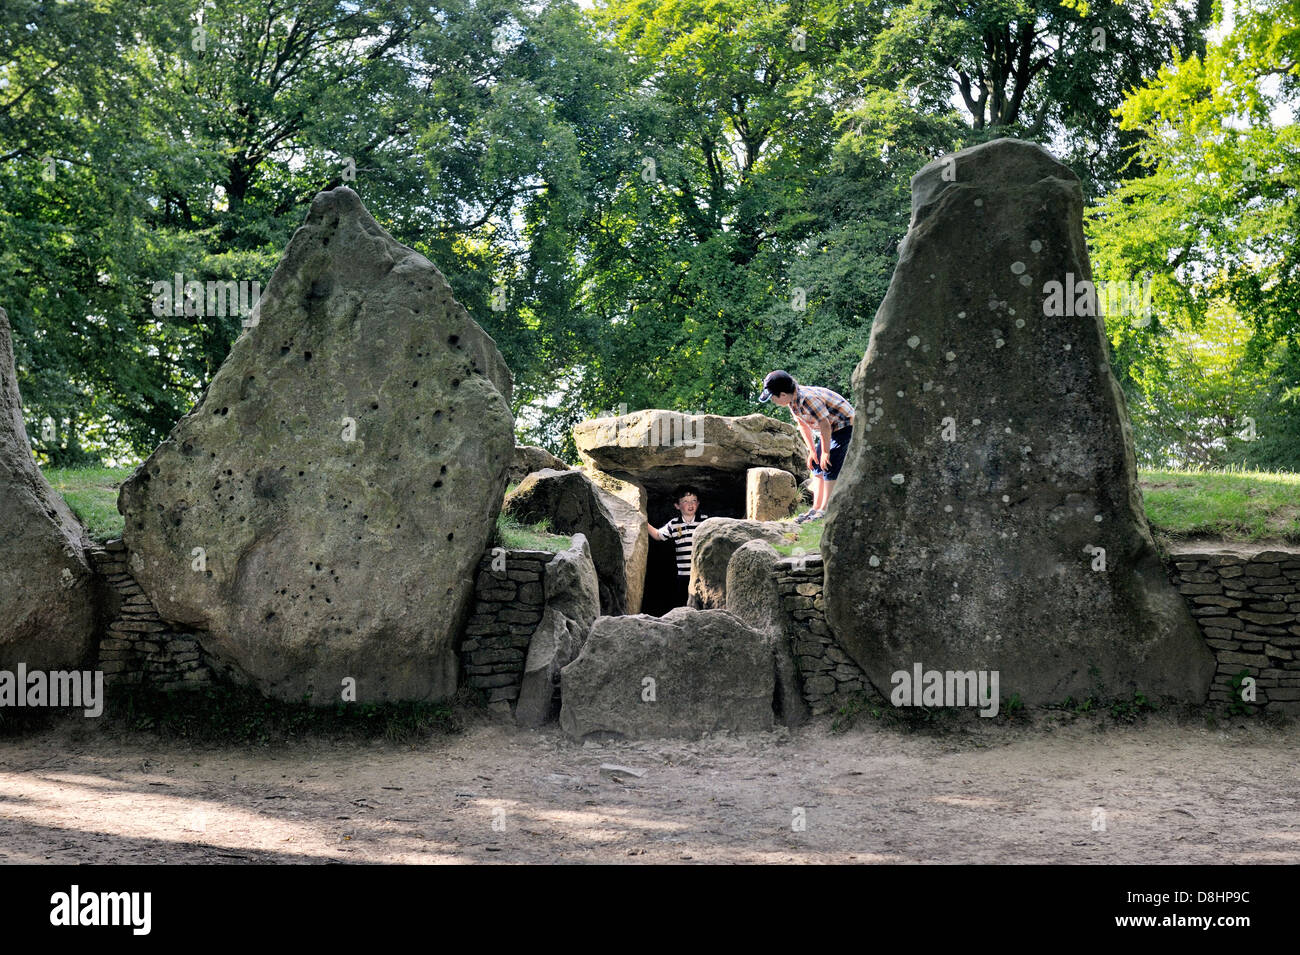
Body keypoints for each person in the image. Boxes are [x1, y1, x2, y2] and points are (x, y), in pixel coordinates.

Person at [759, 369, 854, 523]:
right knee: (817, 463)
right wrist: (812, 451)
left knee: (829, 463)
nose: (773, 401)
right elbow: (803, 425)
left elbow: (825, 425)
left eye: (773, 398)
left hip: (844, 424)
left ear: (782, 395)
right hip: (830, 427)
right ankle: (815, 508)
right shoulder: (793, 402)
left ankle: (825, 508)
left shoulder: (808, 399)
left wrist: (826, 452)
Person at [646, 486, 708, 608]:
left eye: (694, 500)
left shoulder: (705, 521)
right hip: (683, 575)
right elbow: (658, 535)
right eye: (685, 501)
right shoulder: (674, 524)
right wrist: (643, 520)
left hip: (702, 573)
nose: (690, 504)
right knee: (684, 604)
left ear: (698, 503)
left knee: (703, 604)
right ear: (677, 506)